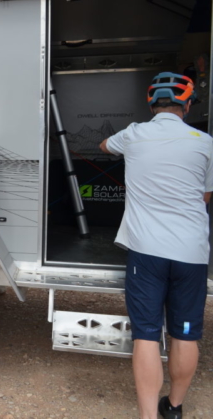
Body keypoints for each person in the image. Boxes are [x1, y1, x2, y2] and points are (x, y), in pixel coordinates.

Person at [99, 72, 213, 419]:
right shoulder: (206, 142)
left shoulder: (134, 133)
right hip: (192, 252)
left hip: (146, 251)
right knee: (186, 333)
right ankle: (174, 408)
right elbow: (206, 196)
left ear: (151, 105)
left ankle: (149, 416)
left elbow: (104, 146)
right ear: (188, 105)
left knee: (147, 335)